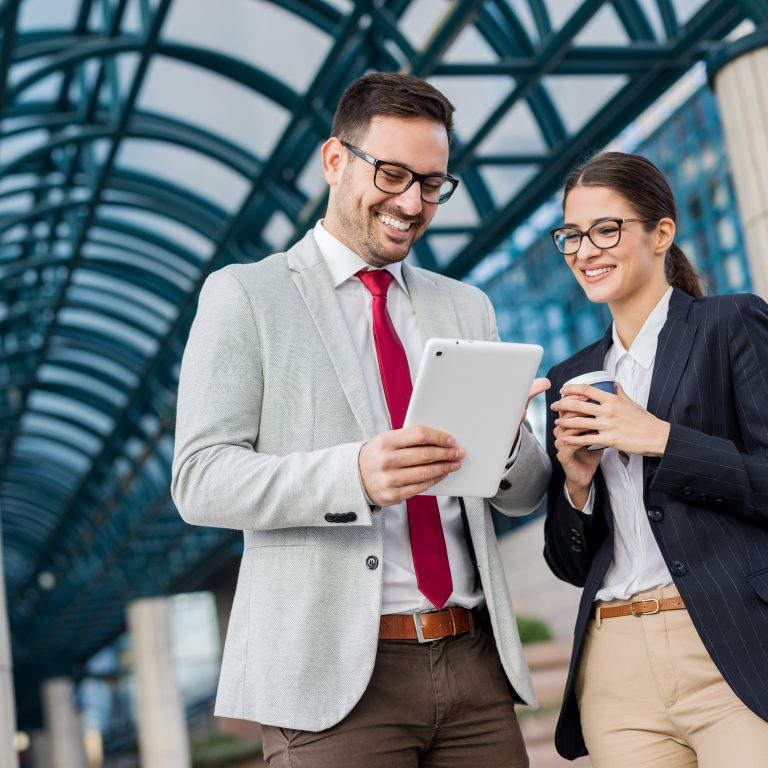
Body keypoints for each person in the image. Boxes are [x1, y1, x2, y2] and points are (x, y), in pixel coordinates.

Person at [171, 72, 551, 768]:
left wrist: (505, 446)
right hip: (333, 681)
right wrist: (354, 475)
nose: (412, 202)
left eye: (432, 183)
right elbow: (199, 478)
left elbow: (525, 493)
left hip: (474, 665)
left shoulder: (467, 306)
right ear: (335, 160)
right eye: (395, 174)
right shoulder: (245, 298)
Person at [544, 151, 768, 766]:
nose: (585, 250)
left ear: (661, 232)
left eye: (606, 229)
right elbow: (567, 563)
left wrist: (663, 439)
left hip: (730, 646)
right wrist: (577, 485)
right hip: (615, 664)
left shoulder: (731, 324)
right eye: (570, 236)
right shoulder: (571, 378)